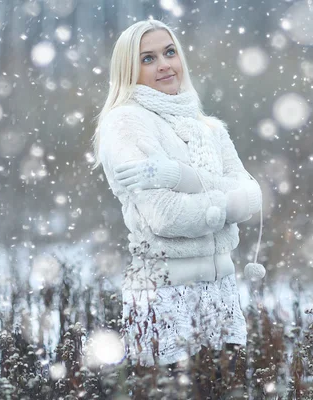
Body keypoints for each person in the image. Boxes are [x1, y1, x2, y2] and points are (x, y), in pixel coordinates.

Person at [90, 19, 265, 398]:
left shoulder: (209, 127)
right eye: (148, 58)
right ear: (129, 70)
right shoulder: (126, 123)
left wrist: (179, 175)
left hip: (220, 293)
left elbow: (254, 197)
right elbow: (166, 216)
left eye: (169, 52)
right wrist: (227, 202)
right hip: (165, 298)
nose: (164, 64)